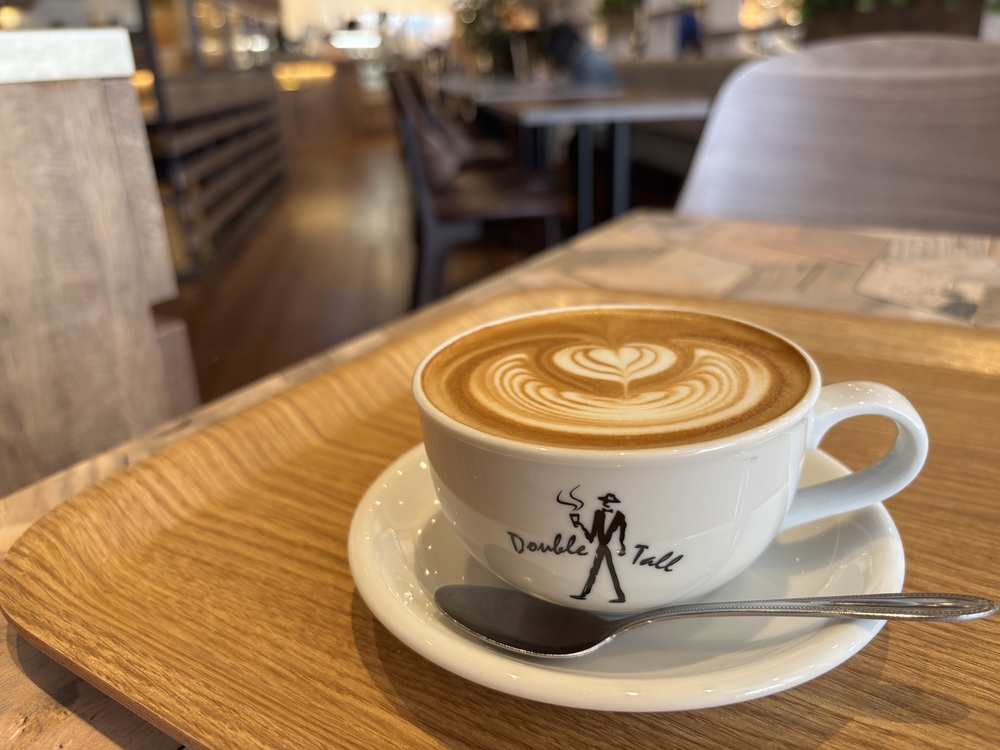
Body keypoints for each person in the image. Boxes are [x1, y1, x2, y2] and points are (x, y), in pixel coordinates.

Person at [571, 492, 628, 603]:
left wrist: (622, 546)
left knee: (608, 571)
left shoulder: (620, 516)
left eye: (610, 502)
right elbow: (591, 537)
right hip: (601, 548)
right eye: (605, 501)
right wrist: (581, 526)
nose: (607, 504)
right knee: (595, 571)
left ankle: (620, 597)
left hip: (608, 548)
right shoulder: (598, 514)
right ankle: (584, 594)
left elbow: (622, 533)